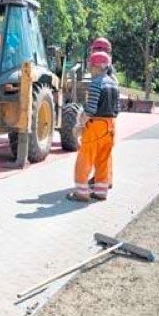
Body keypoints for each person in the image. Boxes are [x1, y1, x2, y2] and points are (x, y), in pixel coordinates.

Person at [67, 51, 119, 202]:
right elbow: (117, 109)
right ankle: (101, 192)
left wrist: (79, 125)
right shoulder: (113, 84)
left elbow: (90, 109)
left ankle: (82, 193)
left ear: (97, 66)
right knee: (103, 159)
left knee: (85, 159)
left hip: (95, 126)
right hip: (110, 127)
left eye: (91, 65)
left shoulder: (96, 83)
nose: (89, 68)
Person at [89, 36, 118, 189]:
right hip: (110, 119)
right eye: (96, 50)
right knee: (105, 152)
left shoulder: (106, 77)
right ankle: (104, 178)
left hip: (102, 119)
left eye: (99, 50)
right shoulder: (112, 76)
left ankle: (104, 179)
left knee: (101, 152)